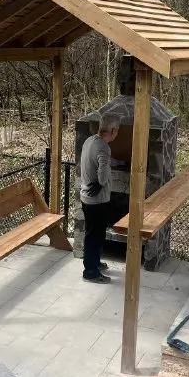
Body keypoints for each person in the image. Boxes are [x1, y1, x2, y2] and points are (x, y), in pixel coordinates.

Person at [79, 113, 120, 283]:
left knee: (93, 233)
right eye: (117, 130)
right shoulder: (104, 147)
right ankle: (90, 271)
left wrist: (116, 164)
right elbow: (103, 175)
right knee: (95, 235)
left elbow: (101, 162)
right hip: (96, 200)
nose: (117, 133)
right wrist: (102, 182)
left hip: (86, 196)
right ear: (112, 130)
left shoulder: (90, 141)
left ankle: (93, 263)